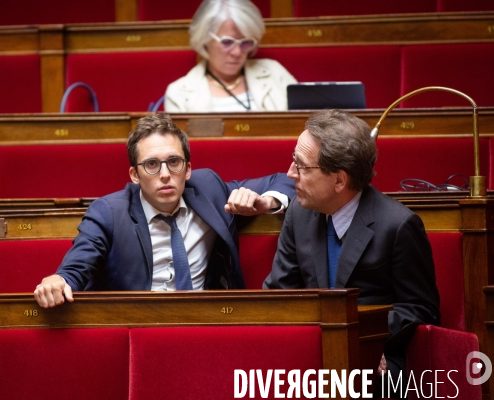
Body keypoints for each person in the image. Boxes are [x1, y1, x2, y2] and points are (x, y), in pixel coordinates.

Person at [263, 109, 440, 399]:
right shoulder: (299, 212)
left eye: (302, 166)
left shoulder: (398, 225)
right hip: (310, 353)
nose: (290, 173)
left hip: (377, 363)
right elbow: (280, 293)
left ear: (339, 180)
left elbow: (420, 309)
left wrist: (368, 340)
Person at [35, 112, 294, 308]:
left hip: (207, 319)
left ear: (188, 169)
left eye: (174, 162)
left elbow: (284, 180)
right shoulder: (109, 212)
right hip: (137, 324)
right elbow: (76, 268)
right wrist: (58, 281)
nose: (165, 174)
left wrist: (267, 201)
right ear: (134, 175)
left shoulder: (209, 189)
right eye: (151, 165)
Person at [164, 0, 297, 112]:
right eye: (227, 42)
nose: (237, 52)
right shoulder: (179, 94)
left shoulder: (275, 73)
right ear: (205, 39)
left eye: (246, 42)